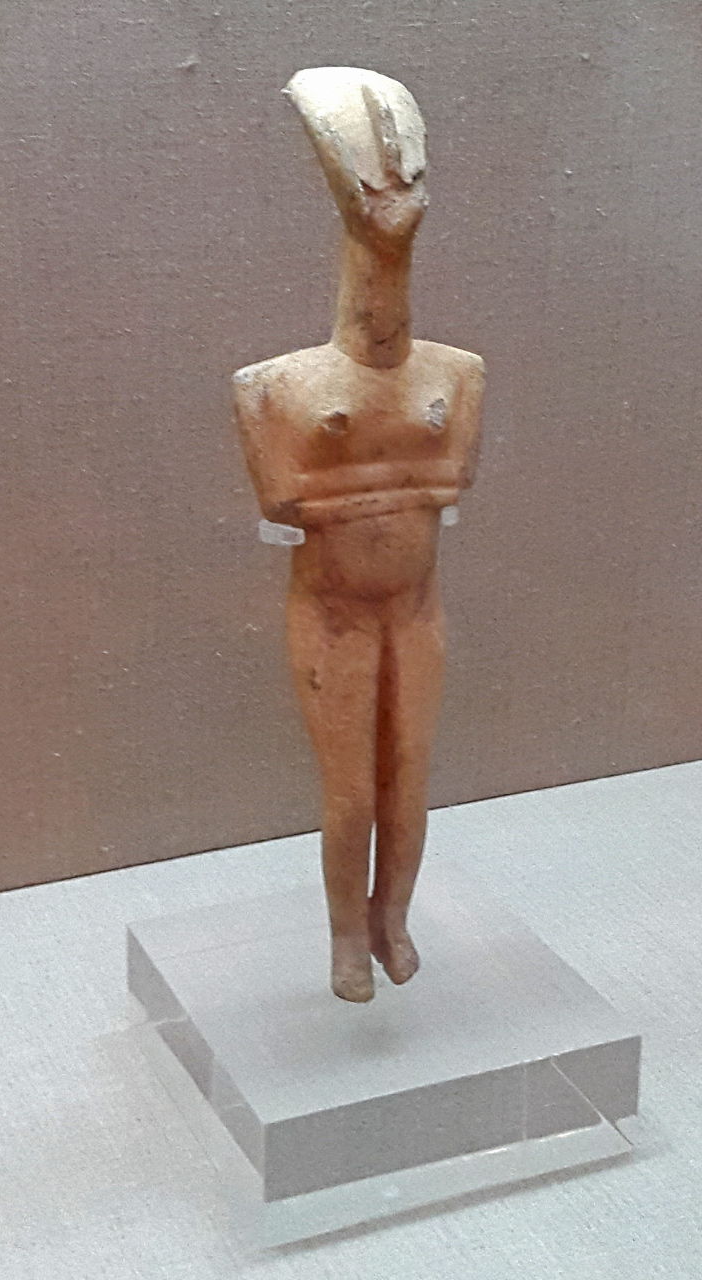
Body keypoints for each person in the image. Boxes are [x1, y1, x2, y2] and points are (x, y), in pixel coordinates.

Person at [234, 68, 484, 1002]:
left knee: (409, 781)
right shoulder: (272, 387)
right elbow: (282, 500)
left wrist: (353, 485)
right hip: (333, 617)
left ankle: (394, 919)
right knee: (349, 795)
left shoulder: (456, 374)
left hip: (414, 609)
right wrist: (397, 482)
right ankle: (346, 936)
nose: (392, 222)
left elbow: (450, 478)